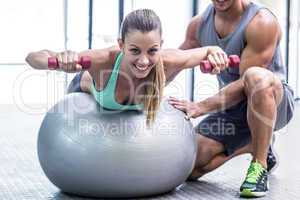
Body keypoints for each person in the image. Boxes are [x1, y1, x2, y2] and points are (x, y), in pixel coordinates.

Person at [169, 0, 294, 198]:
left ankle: (259, 164)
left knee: (256, 76)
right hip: (232, 109)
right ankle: (254, 144)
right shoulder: (199, 25)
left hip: (272, 104)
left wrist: (200, 106)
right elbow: (175, 62)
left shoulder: (261, 22)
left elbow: (247, 82)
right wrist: (148, 88)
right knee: (189, 166)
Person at [26, 8, 228, 126]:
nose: (143, 61)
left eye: (152, 50)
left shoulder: (169, 61)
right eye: (134, 50)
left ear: (161, 46)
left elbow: (208, 50)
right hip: (84, 92)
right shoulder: (102, 59)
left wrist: (216, 54)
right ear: (121, 45)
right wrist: (62, 58)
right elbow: (33, 58)